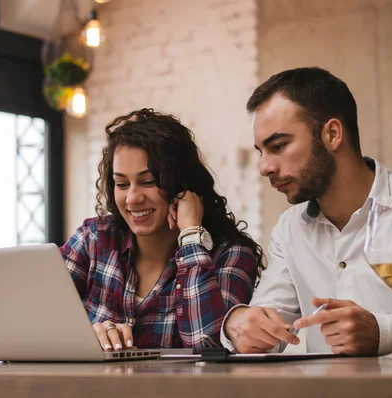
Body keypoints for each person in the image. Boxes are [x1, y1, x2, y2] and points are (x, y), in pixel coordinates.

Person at [221, 67, 392, 356]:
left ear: (333, 134)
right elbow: (268, 328)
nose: (265, 167)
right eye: (261, 152)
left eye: (278, 146)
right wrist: (237, 325)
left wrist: (384, 332)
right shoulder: (290, 230)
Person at [61, 108, 263, 351]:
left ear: (181, 183)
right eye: (122, 184)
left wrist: (191, 235)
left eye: (149, 182)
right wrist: (88, 335)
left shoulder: (231, 255)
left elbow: (209, 345)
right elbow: (39, 323)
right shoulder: (93, 241)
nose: (132, 198)